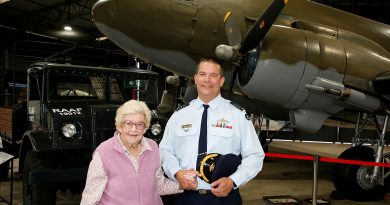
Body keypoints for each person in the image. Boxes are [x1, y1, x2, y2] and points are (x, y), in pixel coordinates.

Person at [159, 57, 265, 205]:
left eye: (213, 75)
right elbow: (165, 151)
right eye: (202, 74)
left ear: (221, 81)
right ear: (195, 79)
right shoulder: (179, 116)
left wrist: (233, 181)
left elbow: (255, 155)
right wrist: (177, 173)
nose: (207, 80)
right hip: (186, 198)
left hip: (225, 198)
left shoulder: (237, 115)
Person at [80, 100, 195, 205]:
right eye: (128, 123)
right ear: (119, 126)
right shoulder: (104, 152)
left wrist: (182, 184)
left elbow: (159, 185)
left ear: (145, 128)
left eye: (139, 124)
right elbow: (90, 198)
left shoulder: (153, 147)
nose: (134, 129)